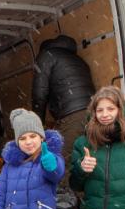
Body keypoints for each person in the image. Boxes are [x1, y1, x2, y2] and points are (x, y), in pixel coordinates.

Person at [31, 35, 95, 168]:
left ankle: (64, 189)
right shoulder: (79, 60)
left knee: (62, 162)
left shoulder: (46, 56)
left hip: (73, 116)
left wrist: (37, 124)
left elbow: (39, 93)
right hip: (93, 114)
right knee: (84, 159)